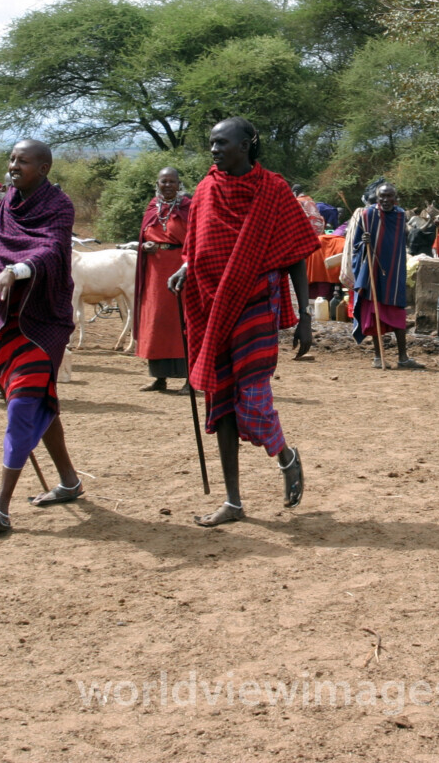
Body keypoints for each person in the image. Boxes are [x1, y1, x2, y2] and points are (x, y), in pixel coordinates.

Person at [168, 117, 319, 528]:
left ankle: (284, 454)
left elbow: (296, 255)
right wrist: (185, 268)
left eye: (222, 143)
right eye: (211, 144)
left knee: (251, 399)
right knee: (221, 399)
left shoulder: (273, 190)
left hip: (256, 306)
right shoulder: (205, 189)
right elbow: (197, 246)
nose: (214, 150)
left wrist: (305, 317)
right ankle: (233, 502)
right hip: (211, 309)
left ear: (247, 145)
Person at [0, 139, 82, 533]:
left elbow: (52, 250)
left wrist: (15, 271)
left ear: (45, 168)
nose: (14, 166)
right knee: (38, 401)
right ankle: (70, 480)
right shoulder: (4, 207)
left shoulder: (59, 206)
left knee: (21, 406)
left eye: (23, 161)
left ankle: (0, 505)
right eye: (12, 159)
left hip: (43, 322)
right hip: (6, 321)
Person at [345, 182, 423, 369]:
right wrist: (364, 243)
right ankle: (378, 357)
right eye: (382, 197)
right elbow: (355, 247)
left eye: (390, 197)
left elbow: (400, 243)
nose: (386, 201)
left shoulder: (399, 216)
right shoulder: (367, 215)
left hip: (394, 273)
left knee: (398, 315)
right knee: (375, 314)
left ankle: (403, 358)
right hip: (373, 273)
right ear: (377, 199)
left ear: (395, 199)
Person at [134, 166, 192, 393]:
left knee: (181, 322)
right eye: (163, 181)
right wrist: (144, 245)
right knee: (156, 323)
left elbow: (196, 238)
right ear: (157, 184)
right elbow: (143, 235)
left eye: (171, 181)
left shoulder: (189, 208)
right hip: (155, 272)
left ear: (179, 184)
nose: (167, 185)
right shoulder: (152, 207)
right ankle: (159, 378)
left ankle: (191, 380)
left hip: (181, 269)